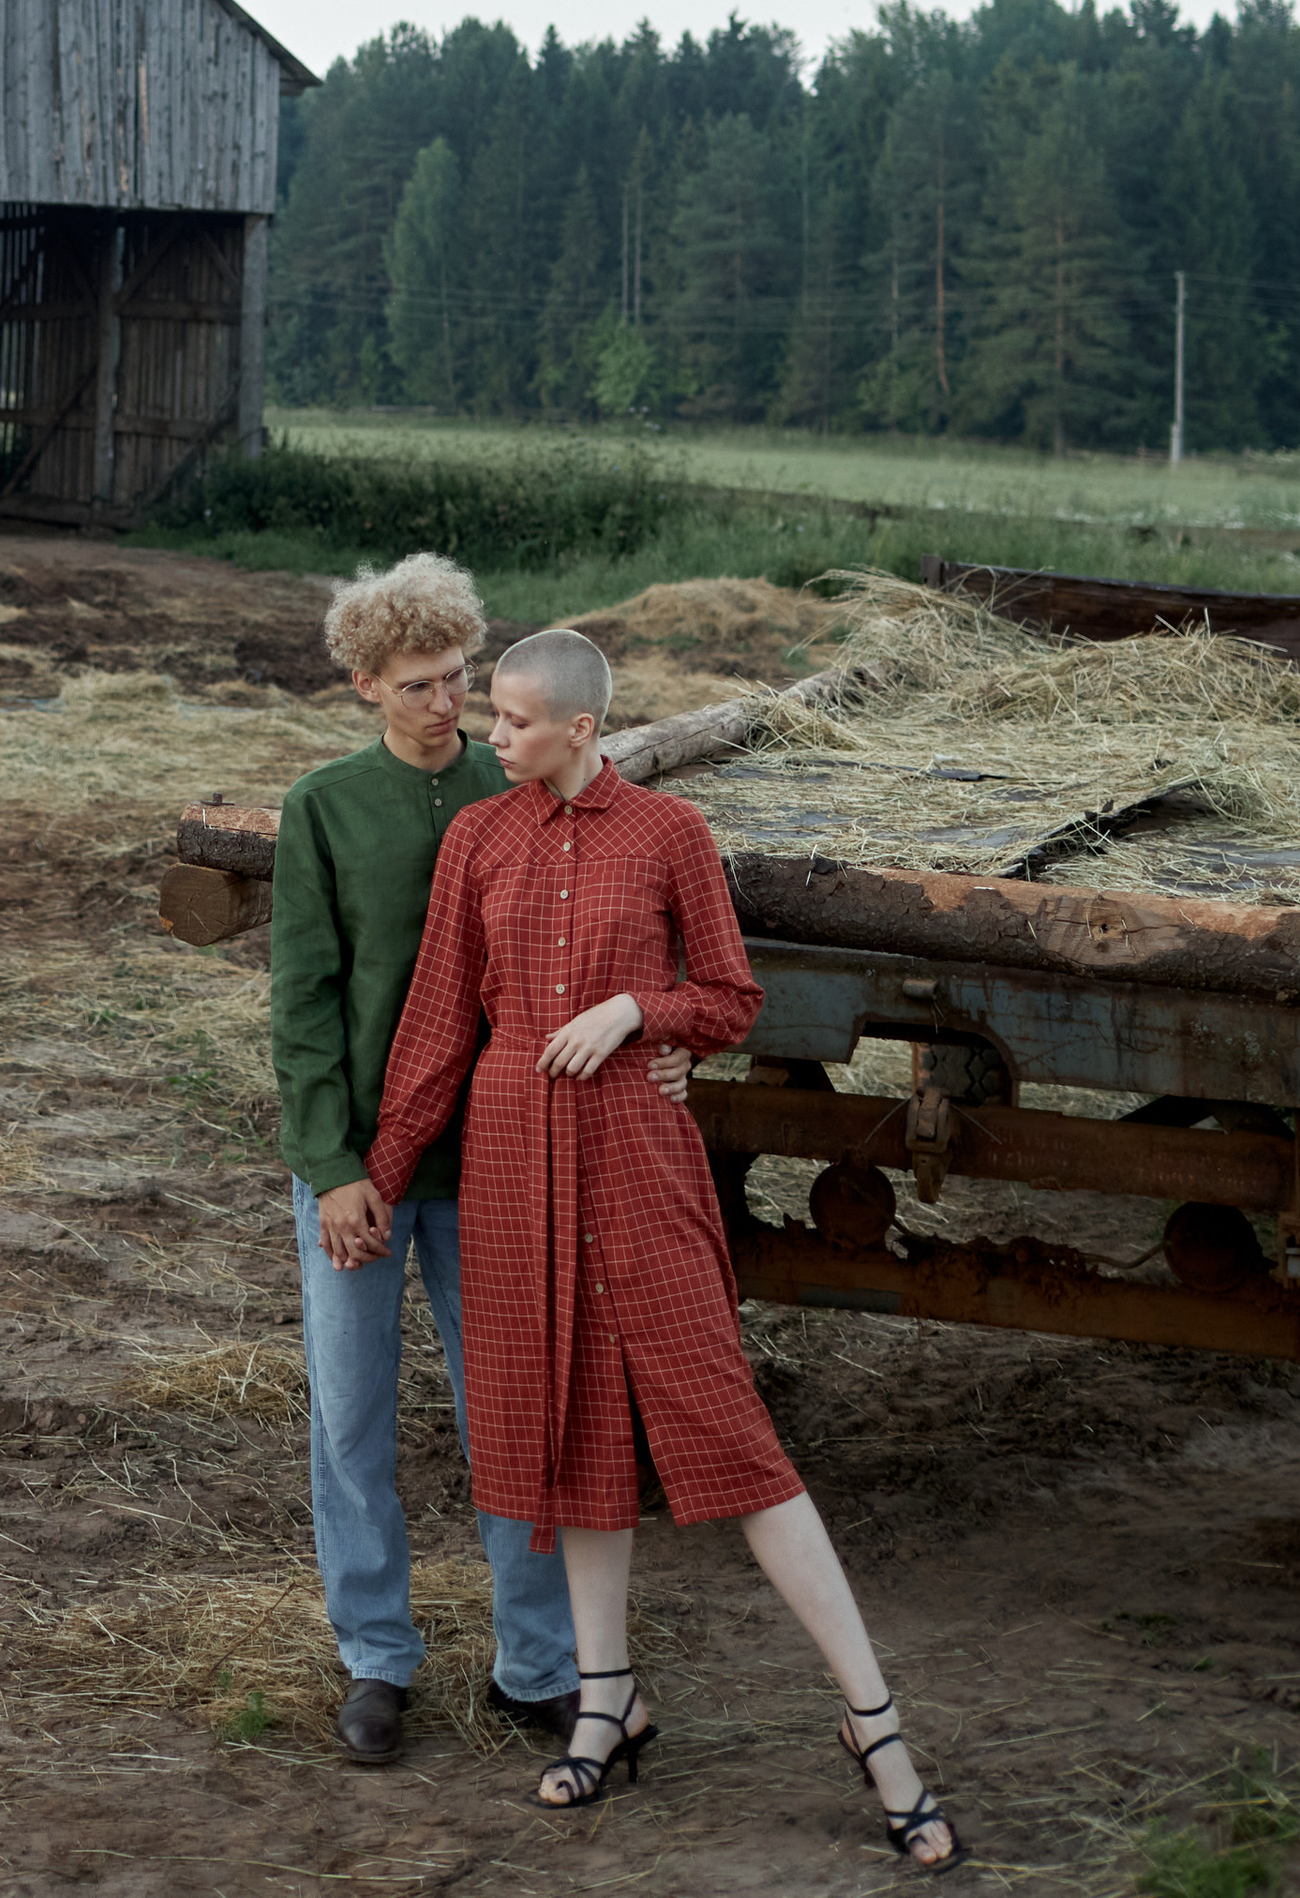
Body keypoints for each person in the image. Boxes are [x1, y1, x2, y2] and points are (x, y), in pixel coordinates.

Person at [358, 625, 964, 1867]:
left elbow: (732, 999)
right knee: (575, 1432)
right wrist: (370, 1180)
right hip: (517, 1169)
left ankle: (876, 1724)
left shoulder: (671, 837)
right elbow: (434, 1027)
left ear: (582, 727)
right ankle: (605, 1702)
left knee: (728, 1435)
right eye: (494, 718)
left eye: (515, 719)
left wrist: (638, 1009)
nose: (492, 734)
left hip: (639, 1162)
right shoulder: (478, 838)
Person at [268, 555, 697, 1768]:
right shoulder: (324, 807)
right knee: (350, 1416)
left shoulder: (522, 795)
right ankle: (376, 1658)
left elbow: (622, 940)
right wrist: (331, 1158)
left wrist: (667, 1045)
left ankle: (538, 1665)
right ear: (363, 687)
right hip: (358, 1162)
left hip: (503, 1159)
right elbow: (301, 1001)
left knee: (514, 1409)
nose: (445, 704)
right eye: (416, 686)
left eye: (459, 678)